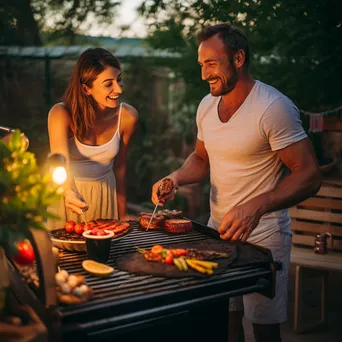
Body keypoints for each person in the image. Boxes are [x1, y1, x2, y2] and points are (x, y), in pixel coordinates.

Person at [151, 23, 321, 342]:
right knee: (224, 323)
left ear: (239, 58)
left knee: (263, 329)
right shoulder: (206, 106)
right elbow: (201, 159)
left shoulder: (272, 108)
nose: (204, 74)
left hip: (264, 236)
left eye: (211, 63)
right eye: (201, 65)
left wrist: (256, 206)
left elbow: (309, 174)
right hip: (217, 231)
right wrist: (175, 178)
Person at [47, 47, 138, 229]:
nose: (118, 89)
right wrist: (68, 192)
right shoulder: (61, 114)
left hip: (105, 195)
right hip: (68, 197)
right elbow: (60, 163)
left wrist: (123, 213)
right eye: (108, 83)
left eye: (118, 80)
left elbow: (120, 168)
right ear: (86, 88)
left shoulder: (128, 116)